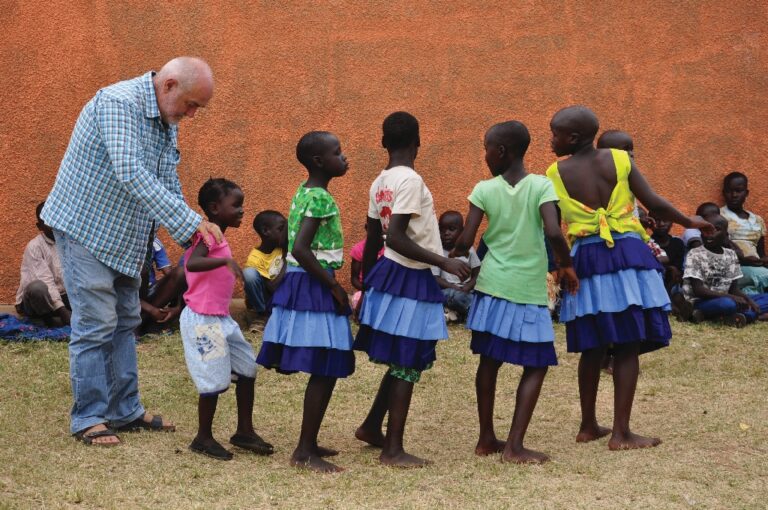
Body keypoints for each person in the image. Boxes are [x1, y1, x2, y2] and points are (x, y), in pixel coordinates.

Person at [41, 57, 221, 446]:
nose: (191, 114)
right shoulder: (118, 103)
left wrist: (189, 229)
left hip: (127, 235)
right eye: (191, 104)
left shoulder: (165, 118)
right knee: (95, 325)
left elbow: (166, 176)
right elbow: (131, 172)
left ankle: (125, 410)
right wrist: (188, 224)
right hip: (84, 228)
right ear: (169, 84)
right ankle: (88, 417)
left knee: (125, 321)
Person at [546, 105, 712, 450]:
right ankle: (621, 432)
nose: (550, 140)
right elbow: (654, 203)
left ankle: (588, 425)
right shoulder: (620, 160)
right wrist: (690, 221)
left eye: (554, 134)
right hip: (627, 255)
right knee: (626, 346)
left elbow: (552, 229)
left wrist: (563, 263)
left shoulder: (554, 173)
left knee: (593, 345)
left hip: (587, 259)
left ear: (573, 138)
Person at [452, 121, 578, 463]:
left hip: (492, 286)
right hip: (525, 289)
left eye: (486, 149)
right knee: (536, 364)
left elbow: (465, 240)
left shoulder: (484, 189)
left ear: (502, 151)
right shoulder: (541, 185)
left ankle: (486, 439)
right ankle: (515, 446)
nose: (485, 155)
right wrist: (566, 265)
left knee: (489, 362)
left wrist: (450, 257)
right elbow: (553, 231)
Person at [354, 112, 471, 468]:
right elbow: (396, 236)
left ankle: (373, 426)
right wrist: (445, 261)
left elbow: (374, 237)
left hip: (390, 275)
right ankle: (393, 450)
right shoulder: (411, 181)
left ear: (383, 142)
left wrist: (368, 287)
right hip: (409, 277)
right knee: (407, 360)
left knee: (401, 359)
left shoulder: (380, 181)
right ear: (418, 142)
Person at [256, 131, 355, 473]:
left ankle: (309, 443)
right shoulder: (320, 199)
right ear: (318, 161)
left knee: (324, 366)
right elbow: (300, 248)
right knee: (324, 366)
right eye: (337, 152)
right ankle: (303, 451)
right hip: (314, 284)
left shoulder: (305, 191)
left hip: (306, 281)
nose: (344, 157)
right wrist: (334, 287)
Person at [180, 178, 272, 460]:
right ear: (214, 208)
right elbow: (192, 263)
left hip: (222, 319)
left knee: (247, 370)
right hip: (204, 322)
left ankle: (244, 431)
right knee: (214, 382)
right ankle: (203, 438)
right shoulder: (207, 234)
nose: (243, 210)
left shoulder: (219, 233)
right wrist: (225, 262)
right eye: (237, 205)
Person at [683, 214, 766, 325]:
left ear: (726, 235)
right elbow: (698, 290)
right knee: (728, 304)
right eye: (705, 229)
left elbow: (734, 289)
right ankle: (748, 316)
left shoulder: (731, 254)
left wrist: (749, 301)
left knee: (762, 299)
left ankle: (740, 316)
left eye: (716, 229)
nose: (710, 233)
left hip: (727, 297)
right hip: (702, 301)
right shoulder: (695, 254)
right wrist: (732, 297)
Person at [16, 201, 71, 326]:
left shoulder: (69, 243)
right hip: (36, 302)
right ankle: (49, 322)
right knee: (37, 288)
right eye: (47, 221)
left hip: (63, 296)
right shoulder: (34, 246)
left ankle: (59, 317)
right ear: (39, 226)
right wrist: (63, 312)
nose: (53, 225)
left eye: (56, 219)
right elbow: (45, 280)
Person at [720, 172, 768, 294]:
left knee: (752, 294)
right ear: (723, 193)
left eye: (738, 191)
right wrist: (745, 259)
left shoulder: (757, 220)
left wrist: (762, 260)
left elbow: (761, 252)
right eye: (729, 191)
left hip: (756, 269)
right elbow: (719, 250)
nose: (734, 195)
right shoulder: (719, 216)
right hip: (733, 269)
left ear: (746, 193)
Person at [433, 210, 481, 321]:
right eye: (442, 229)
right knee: (440, 295)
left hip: (466, 290)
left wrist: (467, 287)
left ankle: (461, 314)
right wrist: (453, 287)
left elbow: (478, 274)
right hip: (447, 291)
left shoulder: (468, 250)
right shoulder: (437, 251)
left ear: (462, 232)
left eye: (451, 229)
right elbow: (435, 278)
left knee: (469, 297)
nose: (446, 233)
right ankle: (463, 314)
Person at [243, 210, 287, 331]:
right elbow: (273, 288)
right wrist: (286, 259)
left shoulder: (284, 247)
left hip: (284, 297)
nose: (286, 233)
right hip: (267, 298)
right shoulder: (255, 257)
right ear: (265, 231)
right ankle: (262, 315)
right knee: (249, 274)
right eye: (281, 229)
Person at [349, 224, 384, 309]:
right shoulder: (359, 249)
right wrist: (367, 291)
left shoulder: (390, 249)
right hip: (365, 289)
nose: (378, 233)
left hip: (385, 289)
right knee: (360, 300)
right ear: (367, 229)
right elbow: (354, 279)